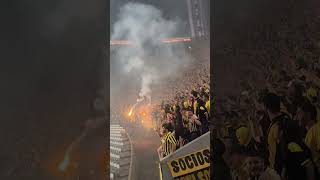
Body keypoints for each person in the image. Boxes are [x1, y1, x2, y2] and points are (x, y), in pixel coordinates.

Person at [263, 92, 301, 178]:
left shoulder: (277, 126)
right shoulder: (286, 118)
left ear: (265, 107)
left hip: (280, 172)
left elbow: (284, 153)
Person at [298, 100, 320, 177]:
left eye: (299, 113)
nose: (297, 116)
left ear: (308, 114)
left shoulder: (316, 129)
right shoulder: (307, 132)